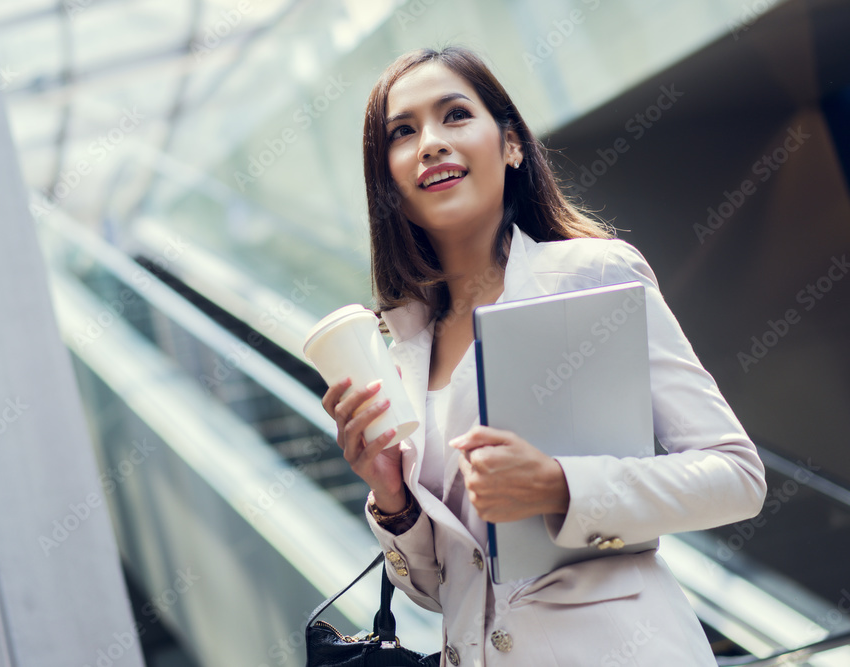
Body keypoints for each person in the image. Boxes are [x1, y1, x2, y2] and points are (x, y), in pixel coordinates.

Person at [320, 45, 767, 666]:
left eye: (454, 115)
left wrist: (560, 486)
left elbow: (736, 477)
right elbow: (435, 592)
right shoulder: (398, 353)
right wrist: (392, 499)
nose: (429, 142)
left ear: (511, 145)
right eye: (403, 131)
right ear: (387, 180)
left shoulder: (595, 275)